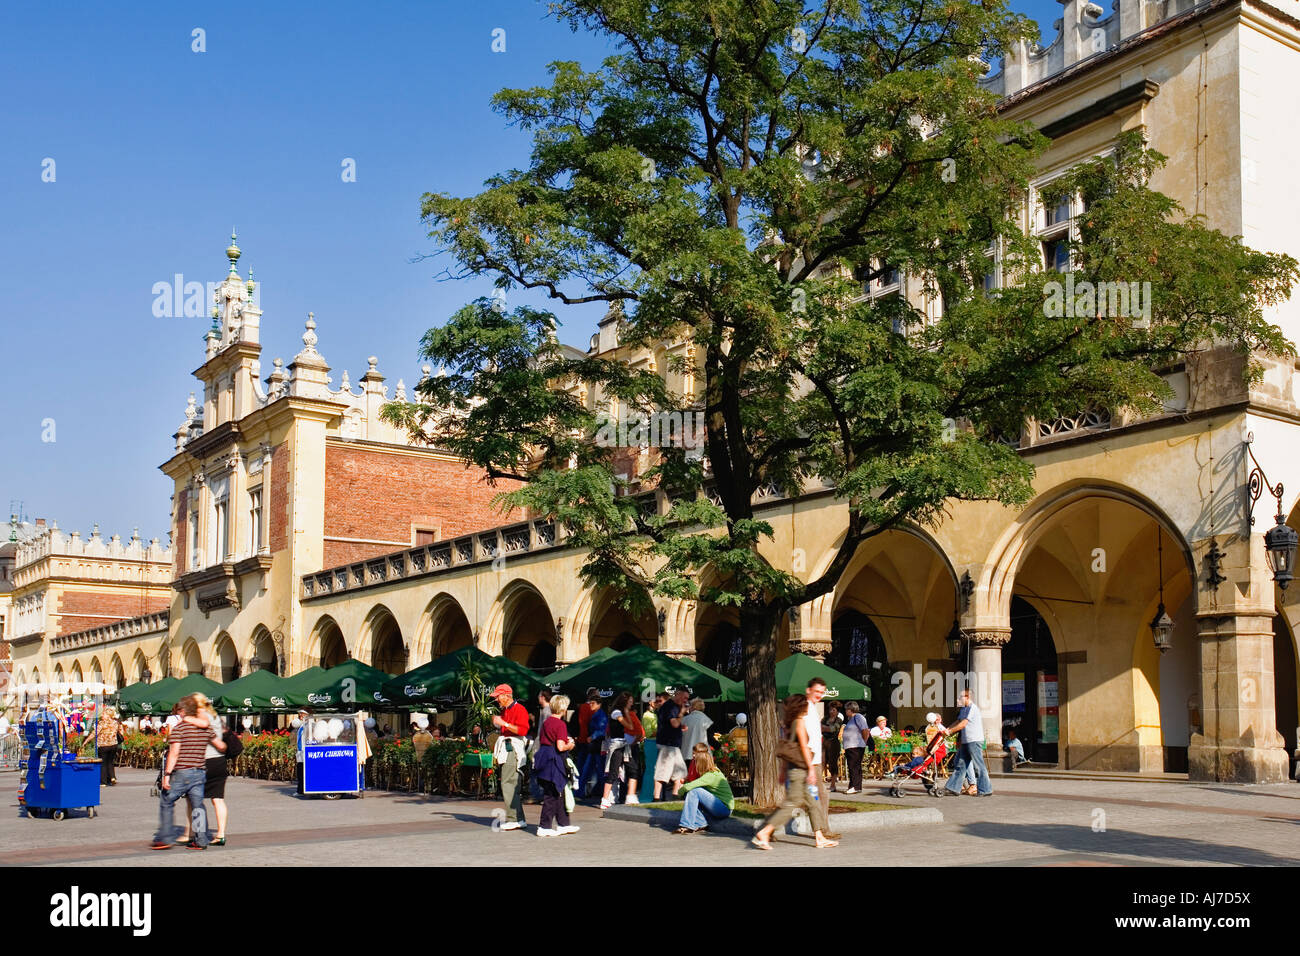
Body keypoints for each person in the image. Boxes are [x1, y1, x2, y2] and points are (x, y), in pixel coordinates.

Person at [752, 695, 837, 850]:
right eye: (805, 705)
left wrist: (783, 770)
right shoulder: (799, 723)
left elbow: (788, 749)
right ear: (800, 707)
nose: (807, 708)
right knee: (792, 803)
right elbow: (803, 747)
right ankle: (765, 832)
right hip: (801, 770)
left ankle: (819, 837)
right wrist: (811, 769)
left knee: (813, 801)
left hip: (794, 768)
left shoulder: (789, 724)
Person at [150, 694, 215, 850]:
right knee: (197, 805)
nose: (178, 713)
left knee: (167, 800)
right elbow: (219, 743)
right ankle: (200, 841)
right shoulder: (205, 727)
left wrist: (166, 776)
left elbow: (174, 753)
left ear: (184, 710)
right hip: (199, 771)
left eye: (180, 710)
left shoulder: (180, 728)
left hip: (183, 772)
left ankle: (165, 838)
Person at [179, 694, 231, 846]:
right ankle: (220, 834)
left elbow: (203, 724)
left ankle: (192, 834)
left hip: (203, 761)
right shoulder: (216, 715)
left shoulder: (201, 714)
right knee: (218, 799)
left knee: (193, 799)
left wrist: (186, 719)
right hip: (219, 761)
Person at [533, 694, 580, 837]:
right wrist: (570, 745)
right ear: (563, 708)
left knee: (559, 793)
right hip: (554, 760)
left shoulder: (547, 722)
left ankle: (563, 824)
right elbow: (560, 747)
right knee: (552, 794)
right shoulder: (560, 724)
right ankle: (544, 826)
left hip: (544, 757)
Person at [489, 683, 531, 830]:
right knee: (510, 783)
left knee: (508, 783)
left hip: (512, 749)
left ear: (506, 695)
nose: (496, 700)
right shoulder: (506, 709)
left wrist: (503, 723)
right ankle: (518, 818)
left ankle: (515, 818)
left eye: (498, 697)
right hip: (509, 748)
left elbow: (522, 730)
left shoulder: (519, 709)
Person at [939, 688, 993, 797]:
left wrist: (949, 731)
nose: (958, 699)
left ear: (967, 697)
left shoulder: (973, 708)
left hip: (974, 741)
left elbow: (963, 724)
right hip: (966, 741)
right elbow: (958, 721)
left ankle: (985, 790)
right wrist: (947, 729)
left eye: (960, 697)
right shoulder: (964, 709)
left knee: (979, 766)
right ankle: (953, 788)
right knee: (960, 763)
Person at [801, 677, 836, 839]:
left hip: (814, 760)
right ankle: (822, 832)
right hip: (807, 760)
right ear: (809, 690)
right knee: (815, 796)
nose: (820, 695)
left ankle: (823, 830)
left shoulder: (812, 708)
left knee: (820, 795)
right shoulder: (805, 708)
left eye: (822, 692)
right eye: (817, 692)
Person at [674, 742, 734, 834]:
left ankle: (686, 825)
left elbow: (689, 787)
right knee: (692, 792)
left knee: (694, 791)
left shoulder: (710, 776)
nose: (695, 764)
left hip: (724, 809)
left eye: (696, 763)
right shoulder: (710, 772)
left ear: (701, 764)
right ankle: (701, 823)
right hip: (718, 806)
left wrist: (679, 791)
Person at [599, 691, 644, 809]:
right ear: (624, 702)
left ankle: (630, 796)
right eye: (629, 702)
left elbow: (631, 727)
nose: (631, 704)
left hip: (624, 744)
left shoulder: (622, 712)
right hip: (617, 745)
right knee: (613, 773)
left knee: (633, 769)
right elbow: (629, 726)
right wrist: (627, 713)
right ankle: (604, 799)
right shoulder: (617, 712)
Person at [652, 688, 689, 800]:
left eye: (687, 698)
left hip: (673, 744)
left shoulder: (674, 706)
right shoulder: (670, 707)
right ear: (678, 694)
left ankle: (675, 795)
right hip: (667, 744)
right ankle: (657, 798)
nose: (686, 700)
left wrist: (680, 727)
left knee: (681, 771)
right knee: (662, 772)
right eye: (684, 697)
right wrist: (682, 713)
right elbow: (674, 723)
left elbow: (673, 725)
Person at [577, 687, 606, 799]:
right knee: (590, 770)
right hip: (594, 746)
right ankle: (582, 791)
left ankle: (601, 792)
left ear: (599, 704)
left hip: (597, 745)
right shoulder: (596, 714)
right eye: (590, 703)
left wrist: (592, 736)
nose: (590, 705)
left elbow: (602, 730)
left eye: (593, 703)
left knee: (597, 770)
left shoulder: (600, 715)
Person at [841, 701, 869, 794]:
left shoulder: (858, 717)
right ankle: (854, 786)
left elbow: (865, 730)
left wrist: (864, 741)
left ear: (850, 709)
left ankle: (855, 787)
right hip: (851, 746)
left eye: (846, 709)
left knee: (854, 767)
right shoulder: (851, 719)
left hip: (856, 746)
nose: (845, 711)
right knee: (853, 767)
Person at [96, 706, 124, 786]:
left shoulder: (102, 723)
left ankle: (103, 782)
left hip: (103, 745)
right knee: (110, 762)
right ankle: (112, 777)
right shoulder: (116, 722)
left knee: (103, 763)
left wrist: (86, 741)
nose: (102, 715)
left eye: (104, 714)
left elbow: (95, 733)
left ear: (108, 715)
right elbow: (121, 731)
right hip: (114, 745)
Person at [680, 697, 713, 762]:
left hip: (685, 755)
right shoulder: (706, 720)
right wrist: (719, 746)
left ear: (693, 707)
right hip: (702, 756)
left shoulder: (684, 720)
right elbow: (710, 738)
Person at [821, 701, 844, 792]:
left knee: (832, 764)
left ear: (837, 711)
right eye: (830, 709)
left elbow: (833, 729)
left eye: (833, 710)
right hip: (824, 742)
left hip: (833, 743)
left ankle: (833, 785)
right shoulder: (825, 718)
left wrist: (825, 728)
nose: (831, 711)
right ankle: (818, 784)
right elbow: (819, 727)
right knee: (822, 762)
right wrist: (825, 728)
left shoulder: (839, 720)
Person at [295, 708, 312, 796]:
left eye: (302, 714)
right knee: (300, 771)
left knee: (303, 772)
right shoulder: (302, 725)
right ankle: (300, 790)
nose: (300, 716)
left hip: (306, 752)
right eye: (300, 714)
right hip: (300, 752)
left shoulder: (309, 725)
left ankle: (301, 790)